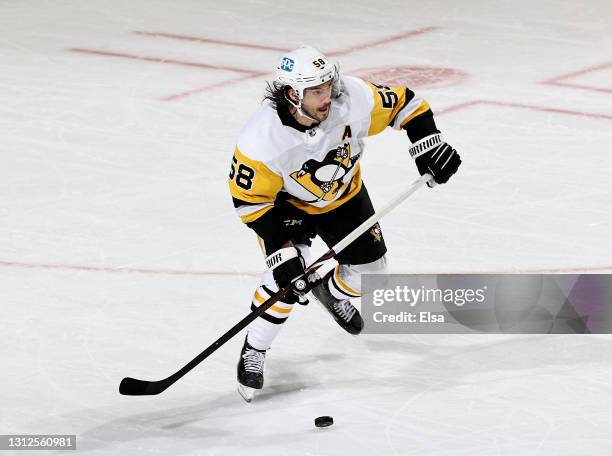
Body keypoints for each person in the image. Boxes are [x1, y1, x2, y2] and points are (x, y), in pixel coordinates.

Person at [228, 45, 461, 401]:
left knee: (374, 274)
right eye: (316, 91)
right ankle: (255, 350)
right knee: (285, 285)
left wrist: (428, 145)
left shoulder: (352, 97)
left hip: (344, 196)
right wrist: (284, 254)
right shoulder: (261, 141)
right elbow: (251, 204)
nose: (327, 97)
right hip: (285, 206)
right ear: (293, 94)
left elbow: (408, 104)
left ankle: (331, 291)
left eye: (328, 86)